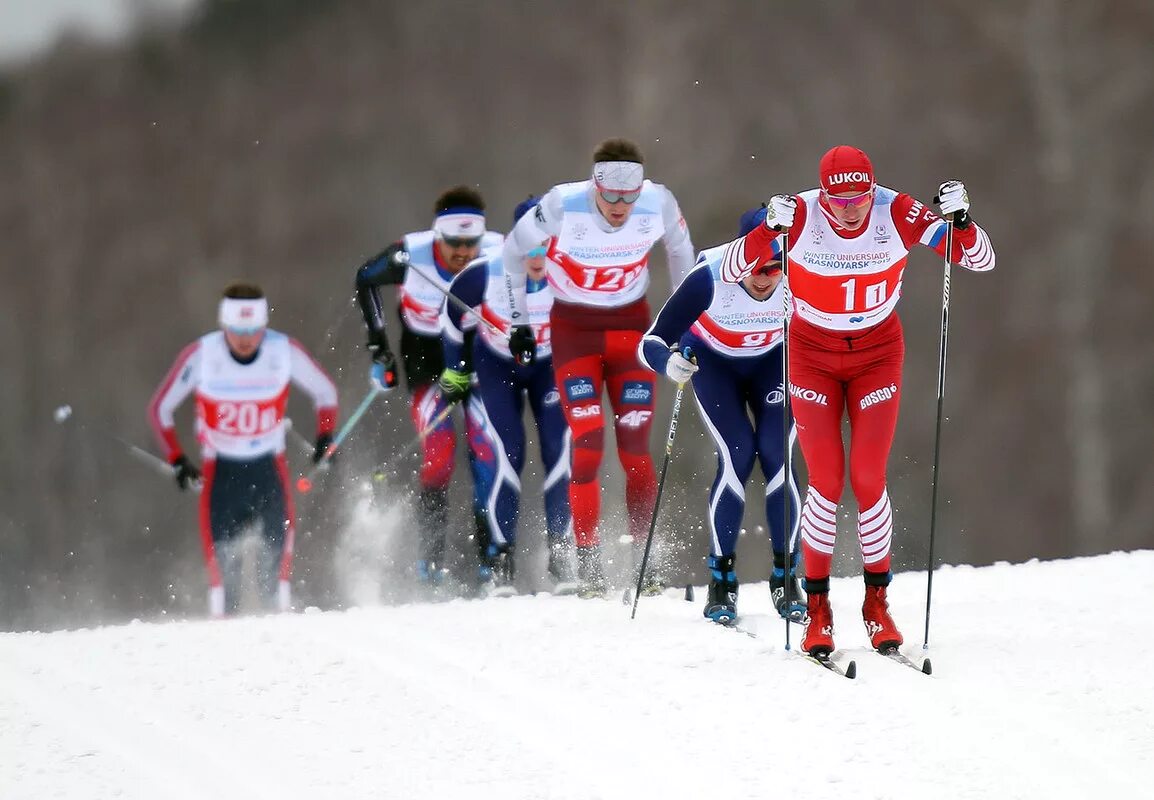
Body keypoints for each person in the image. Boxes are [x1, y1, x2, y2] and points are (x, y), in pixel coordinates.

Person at [721, 145, 996, 656]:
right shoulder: (798, 214)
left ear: (873, 189)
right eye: (839, 198)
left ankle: (876, 604)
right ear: (824, 194)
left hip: (876, 353)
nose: (851, 208)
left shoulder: (896, 211)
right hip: (811, 355)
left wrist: (962, 221)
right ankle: (818, 610)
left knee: (868, 477)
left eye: (860, 196)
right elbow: (733, 269)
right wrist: (766, 231)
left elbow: (979, 259)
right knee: (826, 479)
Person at [501, 138, 695, 597]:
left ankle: (647, 560)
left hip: (632, 332)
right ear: (595, 186)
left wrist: (683, 321)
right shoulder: (562, 205)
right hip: (574, 333)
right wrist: (519, 325)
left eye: (629, 197)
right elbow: (513, 252)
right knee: (587, 444)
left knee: (634, 449)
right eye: (611, 197)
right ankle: (588, 561)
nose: (620, 208)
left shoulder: (658, 202)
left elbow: (683, 252)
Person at [640, 206, 803, 624]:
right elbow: (652, 340)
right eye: (756, 266)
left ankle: (787, 578)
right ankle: (722, 580)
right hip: (716, 367)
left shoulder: (801, 275)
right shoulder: (711, 275)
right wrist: (669, 363)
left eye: (775, 267)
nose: (765, 277)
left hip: (773, 365)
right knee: (737, 455)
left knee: (777, 456)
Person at [147, 283, 339, 617]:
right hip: (221, 475)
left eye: (253, 330)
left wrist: (325, 437)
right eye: (237, 330)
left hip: (269, 471)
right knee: (225, 590)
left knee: (276, 585)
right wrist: (178, 459)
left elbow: (325, 392)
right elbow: (160, 408)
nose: (246, 339)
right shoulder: (203, 356)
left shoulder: (283, 351)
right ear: (224, 324)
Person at [354, 185, 503, 587]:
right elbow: (365, 279)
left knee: (487, 452)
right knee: (439, 453)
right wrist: (379, 350)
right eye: (453, 243)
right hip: (425, 356)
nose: (462, 253)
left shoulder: (499, 251)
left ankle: (492, 560)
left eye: (470, 243)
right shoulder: (412, 254)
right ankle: (430, 563)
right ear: (438, 236)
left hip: (475, 353)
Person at [440, 196, 576, 595]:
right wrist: (456, 370)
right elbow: (449, 316)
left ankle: (562, 554)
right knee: (506, 453)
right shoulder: (485, 273)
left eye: (544, 246)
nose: (537, 257)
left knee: (560, 449)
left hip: (549, 367)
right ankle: (498, 560)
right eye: (527, 247)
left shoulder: (569, 273)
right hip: (496, 365)